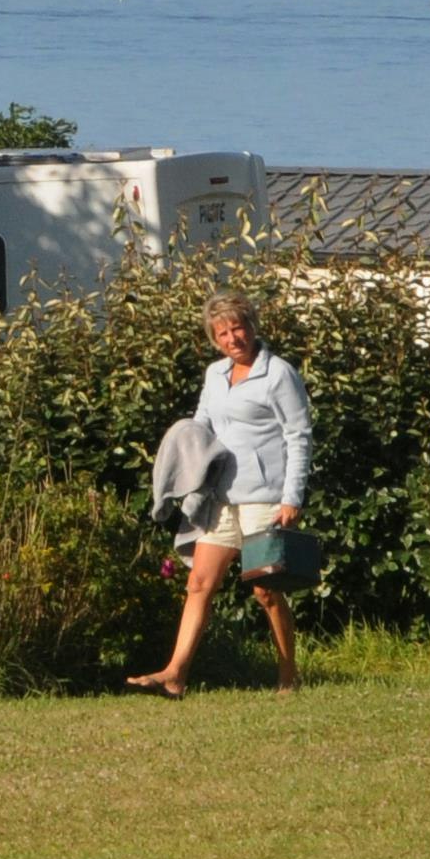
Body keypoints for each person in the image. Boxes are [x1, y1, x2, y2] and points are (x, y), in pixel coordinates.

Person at [127, 289, 310, 698]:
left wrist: (291, 497)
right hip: (221, 498)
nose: (233, 339)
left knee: (266, 590)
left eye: (238, 328)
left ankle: (287, 676)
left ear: (252, 326)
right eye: (223, 333)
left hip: (265, 498)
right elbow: (203, 422)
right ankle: (175, 673)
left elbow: (298, 436)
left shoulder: (278, 374)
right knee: (199, 583)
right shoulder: (215, 375)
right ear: (215, 339)